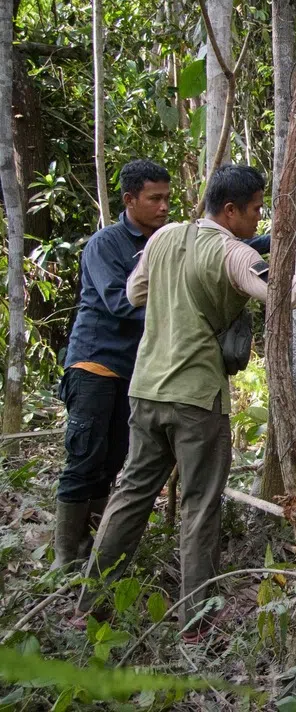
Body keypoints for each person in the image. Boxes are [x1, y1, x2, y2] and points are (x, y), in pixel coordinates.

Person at [74, 164, 296, 638]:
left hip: (146, 389)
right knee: (200, 506)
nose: (259, 218)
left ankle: (90, 602)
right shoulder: (233, 254)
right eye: (256, 209)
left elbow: (135, 292)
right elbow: (288, 293)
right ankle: (195, 620)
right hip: (196, 398)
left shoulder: (164, 238)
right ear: (230, 210)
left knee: (132, 494)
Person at [54, 160, 171, 570]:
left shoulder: (165, 241)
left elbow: (216, 248)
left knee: (113, 458)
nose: (163, 207)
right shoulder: (106, 244)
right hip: (95, 364)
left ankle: (93, 549)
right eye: (154, 199)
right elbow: (119, 303)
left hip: (133, 372)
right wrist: (177, 310)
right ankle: (64, 557)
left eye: (167, 199)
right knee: (85, 458)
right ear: (129, 200)